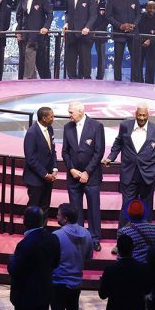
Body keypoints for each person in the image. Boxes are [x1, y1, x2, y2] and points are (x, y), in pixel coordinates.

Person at [103, 102, 155, 229]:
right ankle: (122, 239)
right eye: (139, 115)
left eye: (144, 115)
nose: (142, 118)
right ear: (135, 114)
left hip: (148, 176)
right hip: (129, 174)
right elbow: (118, 142)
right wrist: (111, 157)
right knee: (127, 206)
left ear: (148, 115)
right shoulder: (125, 126)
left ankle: (146, 238)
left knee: (146, 207)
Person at [61, 101, 105, 251]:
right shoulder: (67, 127)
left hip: (91, 177)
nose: (69, 115)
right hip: (73, 176)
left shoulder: (96, 126)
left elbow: (99, 152)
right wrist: (71, 169)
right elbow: (65, 152)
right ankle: (78, 237)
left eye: (71, 112)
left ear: (80, 112)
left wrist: (87, 172)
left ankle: (94, 239)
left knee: (93, 209)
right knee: (75, 209)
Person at [8, 206, 61, 310]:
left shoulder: (24, 245)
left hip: (25, 298)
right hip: (44, 294)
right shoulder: (53, 238)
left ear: (24, 222)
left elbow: (14, 270)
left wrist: (11, 259)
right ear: (43, 221)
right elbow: (55, 263)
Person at [51, 203, 93, 310]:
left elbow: (51, 260)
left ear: (65, 219)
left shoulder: (56, 235)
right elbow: (88, 258)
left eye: (59, 215)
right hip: (76, 283)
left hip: (58, 282)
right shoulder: (87, 234)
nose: (57, 216)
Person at [98, 234, 151, 310]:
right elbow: (148, 290)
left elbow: (102, 295)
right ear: (133, 248)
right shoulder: (143, 268)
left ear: (118, 249)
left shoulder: (110, 270)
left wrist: (101, 282)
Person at [16, 0, 54, 79]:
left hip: (39, 34)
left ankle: (43, 82)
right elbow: (19, 15)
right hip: (25, 33)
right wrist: (19, 31)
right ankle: (30, 80)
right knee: (28, 59)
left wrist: (46, 27)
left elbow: (50, 14)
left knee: (40, 62)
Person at [106, 0, 142, 82]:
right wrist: (120, 26)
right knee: (118, 59)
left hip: (133, 32)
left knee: (135, 58)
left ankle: (136, 81)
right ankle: (117, 81)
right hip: (119, 33)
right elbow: (108, 16)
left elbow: (139, 14)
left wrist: (133, 25)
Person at [23, 107, 58, 215]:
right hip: (36, 179)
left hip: (48, 178)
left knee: (45, 207)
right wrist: (45, 174)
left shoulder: (50, 128)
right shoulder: (32, 133)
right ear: (44, 118)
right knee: (33, 209)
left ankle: (42, 230)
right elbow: (31, 159)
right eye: (51, 116)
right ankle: (30, 231)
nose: (53, 118)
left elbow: (52, 151)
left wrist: (55, 168)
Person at [63, 0, 97, 79]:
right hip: (71, 32)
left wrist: (87, 27)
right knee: (71, 59)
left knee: (85, 61)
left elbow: (93, 15)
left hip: (84, 33)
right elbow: (67, 11)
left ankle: (85, 82)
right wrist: (66, 22)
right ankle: (72, 80)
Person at [137, 0, 155, 84]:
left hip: (151, 47)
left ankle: (150, 85)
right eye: (150, 8)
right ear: (146, 8)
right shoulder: (139, 17)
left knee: (151, 66)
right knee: (137, 65)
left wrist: (150, 40)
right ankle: (138, 83)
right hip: (139, 45)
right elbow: (135, 30)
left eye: (153, 8)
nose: (151, 10)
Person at [92, 0, 109, 80]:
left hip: (101, 32)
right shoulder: (90, 0)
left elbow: (107, 18)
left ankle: (100, 76)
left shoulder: (107, 1)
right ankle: (85, 74)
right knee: (85, 53)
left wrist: (98, 29)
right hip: (89, 31)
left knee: (101, 56)